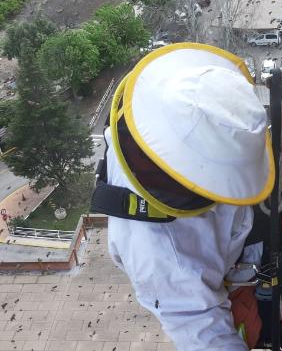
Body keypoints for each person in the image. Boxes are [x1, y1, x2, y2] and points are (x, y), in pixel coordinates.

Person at [100, 43, 272, 351]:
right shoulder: (159, 255)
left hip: (265, 227)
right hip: (246, 279)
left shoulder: (160, 118)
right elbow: (203, 334)